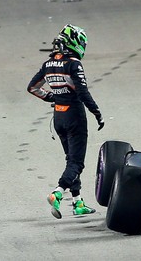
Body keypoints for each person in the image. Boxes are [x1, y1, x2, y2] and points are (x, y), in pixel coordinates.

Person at [27, 24, 105, 219]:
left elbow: (32, 88)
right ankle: (58, 191)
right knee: (76, 163)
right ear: (75, 43)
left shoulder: (48, 64)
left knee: (70, 159)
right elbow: (82, 92)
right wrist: (96, 112)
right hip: (74, 116)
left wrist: (53, 97)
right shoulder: (73, 64)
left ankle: (78, 202)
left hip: (58, 117)